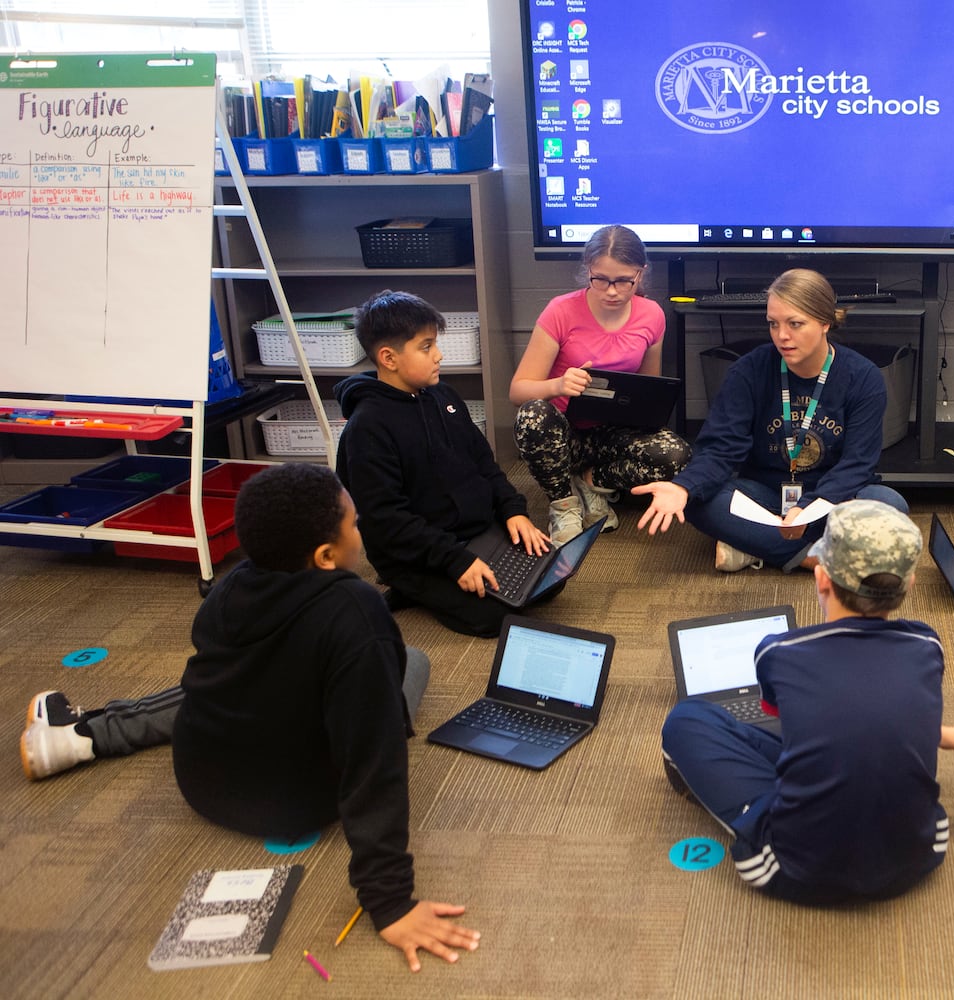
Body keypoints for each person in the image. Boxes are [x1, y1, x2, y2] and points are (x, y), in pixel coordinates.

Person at [18, 464, 481, 973]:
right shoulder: (358, 609)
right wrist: (389, 900)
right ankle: (84, 734)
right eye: (353, 522)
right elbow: (374, 760)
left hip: (200, 782)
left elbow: (204, 683)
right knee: (408, 663)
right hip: (300, 803)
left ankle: (84, 735)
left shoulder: (231, 584)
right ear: (326, 556)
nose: (360, 526)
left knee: (234, 680)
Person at [660, 500, 954, 902]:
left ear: (821, 578)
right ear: (909, 586)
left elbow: (783, 721)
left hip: (793, 869)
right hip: (920, 853)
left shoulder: (778, 652)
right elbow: (870, 709)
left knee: (686, 720)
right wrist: (940, 734)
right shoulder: (927, 644)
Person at [634, 268, 906, 572]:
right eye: (773, 324)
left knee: (888, 504)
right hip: (765, 494)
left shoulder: (864, 377)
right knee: (700, 501)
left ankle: (756, 547)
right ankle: (815, 557)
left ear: (826, 322)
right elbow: (720, 449)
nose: (782, 336)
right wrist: (682, 488)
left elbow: (858, 464)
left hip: (832, 496)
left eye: (795, 324)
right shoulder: (749, 371)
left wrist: (807, 508)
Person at [336, 289, 550, 638]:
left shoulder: (444, 397)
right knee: (494, 618)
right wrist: (454, 560)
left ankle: (469, 566)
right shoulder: (367, 427)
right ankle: (409, 586)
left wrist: (514, 511)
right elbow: (385, 519)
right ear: (388, 358)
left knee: (547, 577)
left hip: (474, 531)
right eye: (426, 347)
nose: (438, 355)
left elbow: (485, 463)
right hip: (417, 552)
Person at [510, 225, 691, 543]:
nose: (612, 290)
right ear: (588, 271)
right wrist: (559, 385)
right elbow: (518, 390)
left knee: (678, 457)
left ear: (641, 273)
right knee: (533, 416)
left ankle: (591, 481)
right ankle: (563, 502)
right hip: (563, 435)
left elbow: (648, 390)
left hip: (610, 434)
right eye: (601, 279)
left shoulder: (651, 315)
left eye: (624, 280)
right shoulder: (561, 311)